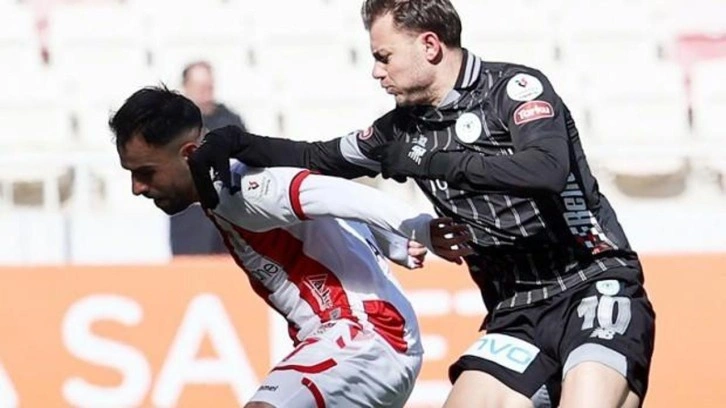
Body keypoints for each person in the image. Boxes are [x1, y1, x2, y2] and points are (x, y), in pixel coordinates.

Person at [187, 1, 656, 407]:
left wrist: (432, 161)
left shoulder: (514, 89)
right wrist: (233, 140)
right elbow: (316, 157)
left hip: (591, 281)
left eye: (384, 57)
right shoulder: (401, 131)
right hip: (515, 313)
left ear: (429, 45)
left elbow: (546, 170)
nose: (377, 71)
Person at [109, 85, 471, 408]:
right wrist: (392, 241)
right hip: (352, 342)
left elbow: (333, 192)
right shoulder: (221, 189)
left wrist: (417, 227)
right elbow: (325, 203)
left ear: (189, 154)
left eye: (146, 172)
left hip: (366, 333)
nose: (137, 188)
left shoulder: (242, 189)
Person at [170, 60, 249, 255]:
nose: (205, 93)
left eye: (209, 87)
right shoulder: (173, 122)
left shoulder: (229, 120)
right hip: (190, 215)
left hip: (227, 213)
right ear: (186, 87)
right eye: (200, 87)